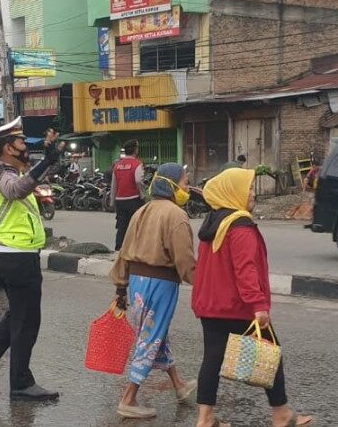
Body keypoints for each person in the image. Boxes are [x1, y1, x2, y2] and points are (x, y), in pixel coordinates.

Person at [191, 168, 313, 427]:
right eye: (247, 188)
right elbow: (246, 269)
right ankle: (281, 413)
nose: (252, 193)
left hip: (210, 306)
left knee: (212, 359)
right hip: (238, 307)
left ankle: (205, 418)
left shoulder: (213, 222)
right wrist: (258, 304)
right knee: (272, 354)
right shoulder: (240, 226)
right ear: (232, 192)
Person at [0, 116, 64, 401]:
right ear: (8, 148)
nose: (25, 147)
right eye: (21, 143)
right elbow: (15, 190)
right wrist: (45, 162)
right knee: (27, 321)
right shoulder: (2, 175)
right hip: (18, 258)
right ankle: (21, 383)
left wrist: (48, 158)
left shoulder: (1, 171)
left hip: (11, 255)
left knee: (16, 317)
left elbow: (25, 182)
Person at [109, 163, 197, 419]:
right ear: (171, 185)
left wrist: (121, 288)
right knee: (150, 338)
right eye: (184, 182)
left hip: (136, 283)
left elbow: (124, 252)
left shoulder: (141, 211)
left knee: (155, 334)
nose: (187, 187)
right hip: (161, 284)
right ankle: (128, 398)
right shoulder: (176, 215)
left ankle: (179, 385)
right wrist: (204, 285)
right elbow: (185, 261)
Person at [110, 140, 145, 251]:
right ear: (135, 150)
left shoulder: (117, 165)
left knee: (122, 226)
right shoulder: (137, 164)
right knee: (136, 226)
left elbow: (113, 184)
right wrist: (142, 195)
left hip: (119, 201)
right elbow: (139, 180)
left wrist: (112, 201)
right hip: (133, 199)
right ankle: (135, 249)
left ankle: (119, 248)